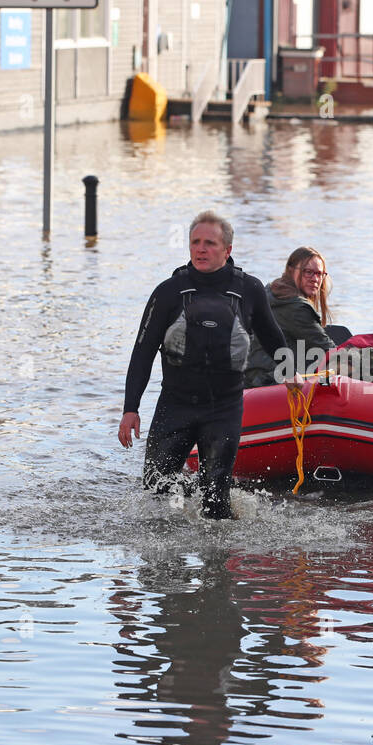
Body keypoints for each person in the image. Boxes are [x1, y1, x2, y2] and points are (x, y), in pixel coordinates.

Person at [118, 211, 286, 519]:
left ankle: (217, 563)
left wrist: (293, 375)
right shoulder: (168, 292)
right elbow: (142, 352)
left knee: (216, 503)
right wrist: (131, 408)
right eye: (195, 242)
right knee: (155, 495)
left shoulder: (250, 290)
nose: (201, 249)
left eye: (210, 243)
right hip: (175, 406)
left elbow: (274, 339)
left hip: (224, 408)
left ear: (228, 250)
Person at [245, 246, 339, 388]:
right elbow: (327, 349)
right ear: (291, 271)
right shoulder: (296, 308)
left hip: (252, 376)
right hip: (271, 381)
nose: (315, 279)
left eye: (319, 274)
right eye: (308, 272)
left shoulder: (270, 291)